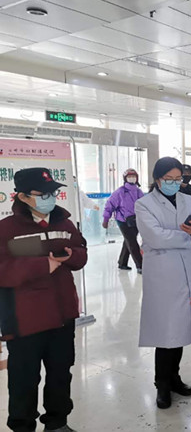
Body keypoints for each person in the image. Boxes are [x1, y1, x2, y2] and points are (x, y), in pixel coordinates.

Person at [0, 168, 88, 432]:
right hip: (26, 319)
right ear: (23, 196)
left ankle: (57, 422)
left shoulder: (65, 223)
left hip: (62, 315)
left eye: (52, 192)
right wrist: (42, 266)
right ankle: (22, 425)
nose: (50, 198)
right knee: (24, 379)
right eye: (42, 193)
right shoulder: (7, 229)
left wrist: (72, 256)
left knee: (61, 373)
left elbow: (81, 252)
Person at [135, 157, 191, 410]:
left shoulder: (189, 200)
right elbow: (155, 237)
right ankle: (162, 384)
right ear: (157, 179)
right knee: (166, 331)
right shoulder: (144, 204)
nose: (175, 183)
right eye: (169, 179)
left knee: (180, 329)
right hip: (163, 274)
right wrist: (188, 237)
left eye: (179, 179)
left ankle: (175, 378)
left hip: (188, 270)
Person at [102, 169, 144, 274]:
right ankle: (140, 265)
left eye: (134, 176)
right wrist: (106, 219)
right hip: (123, 221)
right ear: (125, 179)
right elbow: (109, 205)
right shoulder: (119, 192)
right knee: (132, 242)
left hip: (136, 220)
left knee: (128, 241)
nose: (132, 178)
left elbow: (144, 206)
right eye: (129, 176)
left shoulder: (139, 192)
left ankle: (122, 263)